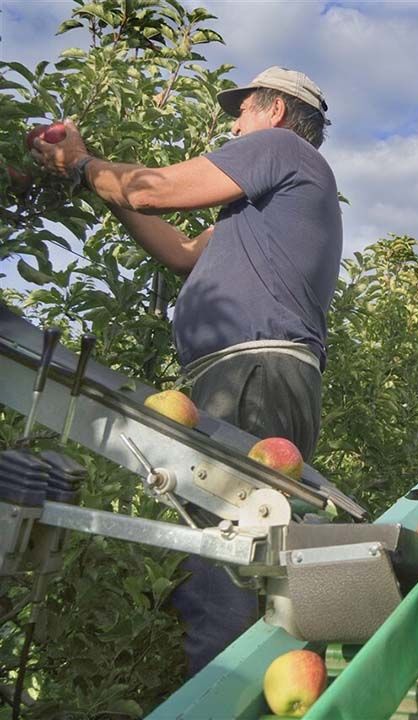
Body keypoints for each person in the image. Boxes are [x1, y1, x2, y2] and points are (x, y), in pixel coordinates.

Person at [31, 66, 343, 676]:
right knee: (255, 547)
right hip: (258, 374)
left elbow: (152, 188)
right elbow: (177, 249)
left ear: (274, 112)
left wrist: (79, 163)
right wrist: (100, 183)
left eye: (243, 111)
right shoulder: (254, 217)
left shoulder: (278, 148)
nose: (234, 123)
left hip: (249, 372)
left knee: (221, 551)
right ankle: (267, 681)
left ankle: (221, 696)